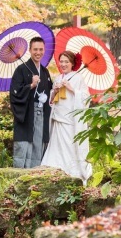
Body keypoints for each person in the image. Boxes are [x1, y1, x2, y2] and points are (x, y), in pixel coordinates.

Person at [41, 50, 93, 184]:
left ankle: (72, 175)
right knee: (55, 149)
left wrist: (72, 89)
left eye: (66, 62)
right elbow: (52, 101)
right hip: (58, 119)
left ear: (72, 63)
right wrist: (55, 91)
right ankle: (53, 173)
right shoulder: (58, 78)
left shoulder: (78, 78)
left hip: (70, 122)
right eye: (61, 61)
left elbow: (86, 98)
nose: (63, 64)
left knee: (70, 148)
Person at [9, 36, 52, 168]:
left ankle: (35, 175)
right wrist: (31, 86)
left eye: (40, 49)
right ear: (30, 50)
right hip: (27, 113)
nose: (38, 52)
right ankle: (20, 175)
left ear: (44, 50)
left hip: (42, 114)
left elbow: (49, 94)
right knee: (24, 145)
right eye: (35, 49)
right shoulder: (21, 70)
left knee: (39, 144)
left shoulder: (45, 72)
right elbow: (14, 93)